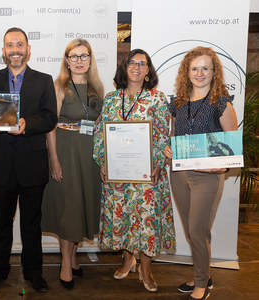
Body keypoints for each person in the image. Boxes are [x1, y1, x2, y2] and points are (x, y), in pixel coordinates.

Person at [0, 27, 57, 293]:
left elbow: (50, 117)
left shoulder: (44, 80)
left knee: (31, 224)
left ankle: (33, 272)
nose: (15, 50)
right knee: (2, 223)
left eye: (20, 45)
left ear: (28, 49)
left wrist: (27, 123)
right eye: (10, 45)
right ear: (3, 51)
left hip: (32, 165)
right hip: (0, 164)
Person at [93, 49, 176, 293]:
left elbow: (164, 134)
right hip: (118, 174)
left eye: (143, 63)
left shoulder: (158, 98)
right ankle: (128, 259)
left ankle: (146, 269)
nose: (137, 67)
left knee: (146, 221)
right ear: (124, 67)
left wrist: (158, 164)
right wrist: (102, 161)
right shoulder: (111, 98)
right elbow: (100, 133)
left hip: (147, 174)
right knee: (123, 217)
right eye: (132, 62)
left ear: (148, 70)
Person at [165, 46, 238, 300]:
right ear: (187, 71)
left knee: (197, 231)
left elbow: (231, 145)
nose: (200, 73)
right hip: (179, 174)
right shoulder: (178, 103)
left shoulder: (221, 103)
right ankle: (202, 275)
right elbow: (175, 136)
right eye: (194, 68)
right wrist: (168, 149)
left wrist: (223, 166)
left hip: (207, 176)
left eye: (205, 68)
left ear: (214, 71)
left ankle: (202, 284)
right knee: (192, 230)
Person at [41, 39, 104, 290]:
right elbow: (50, 126)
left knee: (82, 205)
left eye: (84, 56)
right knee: (69, 208)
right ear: (67, 60)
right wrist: (54, 160)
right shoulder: (58, 86)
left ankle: (74, 257)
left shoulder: (96, 88)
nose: (79, 61)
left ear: (90, 59)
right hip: (66, 152)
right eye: (74, 56)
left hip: (89, 154)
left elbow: (100, 124)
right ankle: (65, 263)